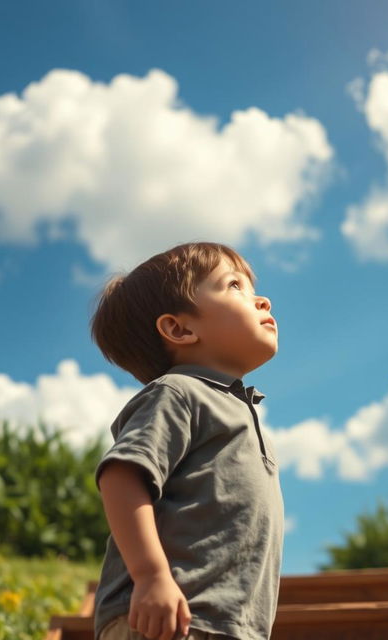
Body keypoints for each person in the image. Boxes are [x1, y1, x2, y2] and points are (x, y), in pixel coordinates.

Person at [89, 241, 284, 640]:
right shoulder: (179, 393)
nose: (261, 300)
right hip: (164, 618)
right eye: (234, 286)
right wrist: (151, 576)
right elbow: (121, 476)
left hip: (227, 626)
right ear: (179, 329)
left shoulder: (235, 408)